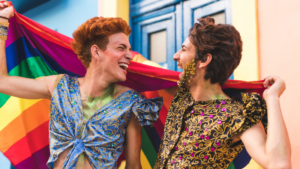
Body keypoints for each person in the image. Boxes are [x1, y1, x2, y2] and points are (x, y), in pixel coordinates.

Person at [0, 2, 162, 169]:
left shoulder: (131, 102)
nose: (129, 56)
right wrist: (2, 21)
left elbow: (134, 166)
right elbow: (2, 82)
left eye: (129, 49)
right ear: (96, 51)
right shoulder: (59, 87)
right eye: (121, 48)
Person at [154, 17, 291, 169]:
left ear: (204, 60)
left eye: (184, 50)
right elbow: (141, 75)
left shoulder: (238, 115)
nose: (175, 56)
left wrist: (272, 98)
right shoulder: (181, 96)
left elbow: (279, 165)